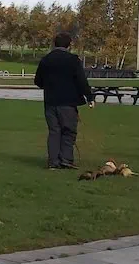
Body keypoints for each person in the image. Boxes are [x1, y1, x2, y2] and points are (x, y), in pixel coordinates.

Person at [33, 32, 95, 170]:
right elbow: (81, 81)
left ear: (54, 43)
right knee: (68, 131)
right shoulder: (73, 60)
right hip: (68, 102)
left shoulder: (46, 60)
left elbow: (37, 81)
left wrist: (48, 86)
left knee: (54, 131)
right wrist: (89, 97)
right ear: (69, 45)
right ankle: (66, 159)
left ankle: (53, 162)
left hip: (50, 102)